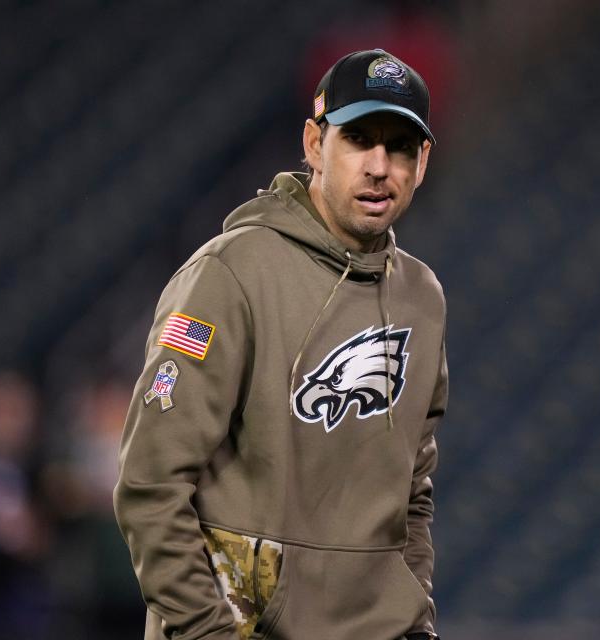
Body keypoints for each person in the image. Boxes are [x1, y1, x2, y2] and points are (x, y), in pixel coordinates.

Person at [114, 49, 447, 640]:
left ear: (422, 162)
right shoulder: (231, 274)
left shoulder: (421, 297)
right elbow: (150, 486)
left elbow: (413, 495)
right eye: (359, 138)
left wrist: (413, 615)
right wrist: (207, 632)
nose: (379, 165)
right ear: (315, 144)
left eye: (399, 146)